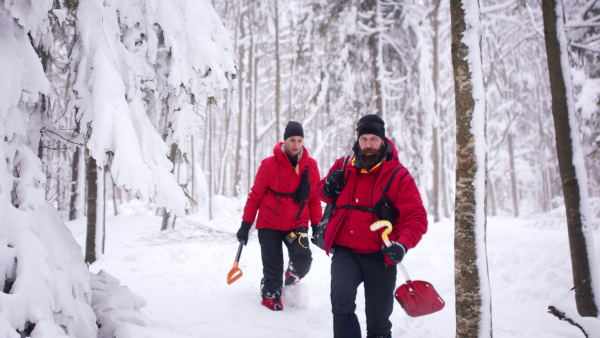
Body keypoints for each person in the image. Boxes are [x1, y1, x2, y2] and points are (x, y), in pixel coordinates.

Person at [317, 114, 428, 338]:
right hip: (346, 253)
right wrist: (328, 187)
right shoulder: (343, 165)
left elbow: (417, 217)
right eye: (364, 138)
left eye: (374, 139)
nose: (368, 144)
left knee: (378, 321)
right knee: (341, 303)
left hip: (380, 256)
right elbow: (320, 192)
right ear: (358, 140)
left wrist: (402, 244)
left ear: (383, 141)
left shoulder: (398, 175)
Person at [236, 121, 322, 311]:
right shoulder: (269, 164)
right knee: (273, 268)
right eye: (292, 140)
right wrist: (245, 224)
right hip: (269, 224)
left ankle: (291, 276)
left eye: (300, 140)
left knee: (303, 259)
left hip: (297, 223)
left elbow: (314, 199)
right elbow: (255, 196)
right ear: (285, 141)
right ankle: (270, 296)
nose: (296, 144)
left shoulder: (310, 166)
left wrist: (317, 226)